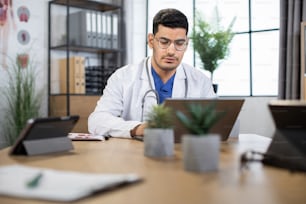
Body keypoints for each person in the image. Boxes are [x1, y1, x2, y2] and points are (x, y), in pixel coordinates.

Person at [88, 8, 217, 138]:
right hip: (135, 155)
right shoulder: (122, 77)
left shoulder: (201, 81)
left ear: (186, 44)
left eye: (179, 43)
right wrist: (138, 128)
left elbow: (218, 122)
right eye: (164, 42)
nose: (171, 51)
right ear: (151, 41)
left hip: (186, 153)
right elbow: (97, 121)